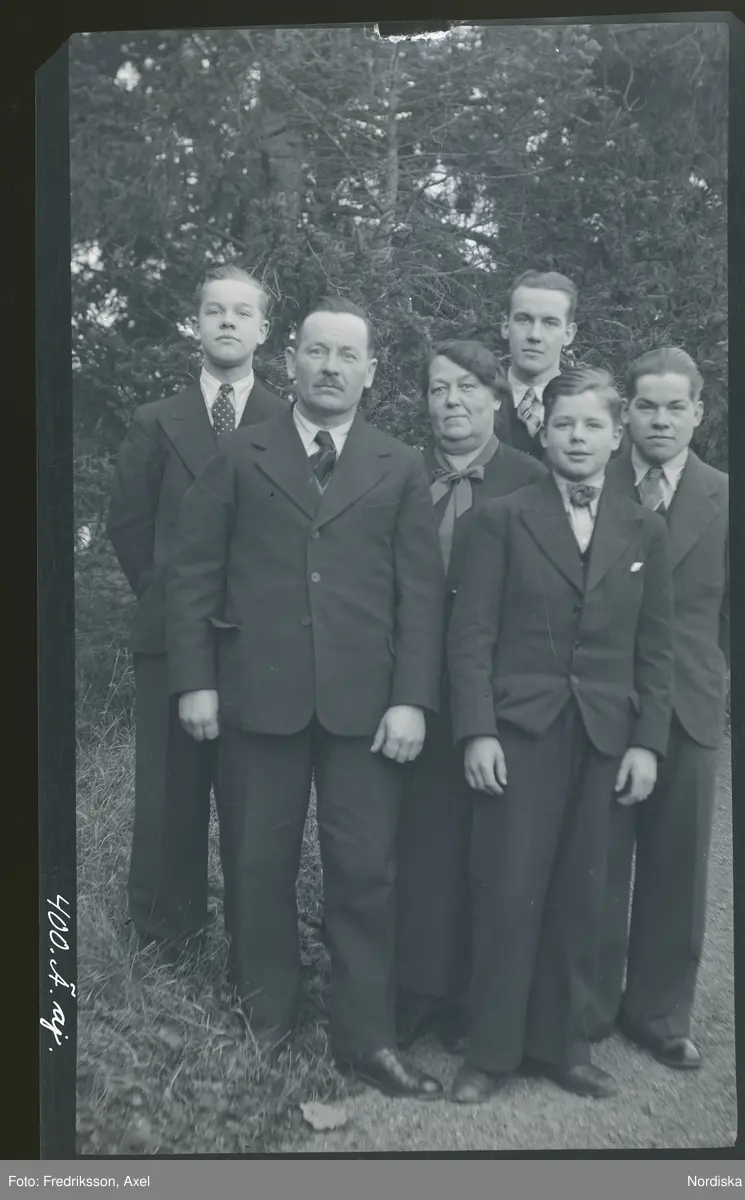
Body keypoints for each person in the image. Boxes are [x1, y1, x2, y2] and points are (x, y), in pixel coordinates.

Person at [167, 296, 447, 1101]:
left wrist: (411, 699)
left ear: (371, 372)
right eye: (317, 351)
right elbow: (193, 575)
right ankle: (268, 1020)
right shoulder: (240, 454)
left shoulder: (399, 463)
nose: (330, 367)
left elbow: (420, 595)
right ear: (290, 360)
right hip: (259, 697)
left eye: (347, 355)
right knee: (258, 864)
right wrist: (196, 681)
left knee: (364, 871)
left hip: (368, 709)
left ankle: (367, 1038)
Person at [446, 367, 674, 1104]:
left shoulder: (645, 528)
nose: (578, 438)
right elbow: (471, 637)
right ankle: (490, 1053)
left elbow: (657, 649)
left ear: (617, 435)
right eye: (564, 424)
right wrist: (478, 731)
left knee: (585, 893)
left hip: (605, 736)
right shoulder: (500, 519)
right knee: (508, 888)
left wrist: (646, 743)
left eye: (592, 425)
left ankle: (562, 1047)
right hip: (521, 732)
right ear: (543, 434)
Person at [106, 265, 285, 952]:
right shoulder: (156, 421)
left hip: (259, 642)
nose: (228, 322)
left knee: (252, 799)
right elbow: (129, 523)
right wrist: (168, 596)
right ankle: (165, 939)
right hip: (170, 637)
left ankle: (254, 949)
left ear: (264, 330)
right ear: (196, 325)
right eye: (215, 311)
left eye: (243, 312)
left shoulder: (287, 421)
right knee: (167, 794)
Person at [394, 341, 547, 1056]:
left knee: (487, 849)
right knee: (422, 842)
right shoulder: (401, 471)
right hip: (413, 688)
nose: (451, 401)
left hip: (492, 692)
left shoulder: (530, 478)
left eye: (467, 387)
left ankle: (470, 999)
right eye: (437, 389)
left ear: (496, 397)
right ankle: (417, 992)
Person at [588, 347, 729, 1070]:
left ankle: (659, 1012)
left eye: (677, 407)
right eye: (647, 406)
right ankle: (585, 1003)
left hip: (691, 706)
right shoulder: (594, 480)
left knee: (678, 864)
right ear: (627, 414)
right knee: (596, 859)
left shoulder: (727, 496)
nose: (661, 420)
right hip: (605, 701)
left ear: (698, 412)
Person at [494, 270, 578, 458]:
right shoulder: (479, 401)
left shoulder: (589, 407)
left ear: (568, 334)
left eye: (550, 323)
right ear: (506, 327)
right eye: (524, 320)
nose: (534, 335)